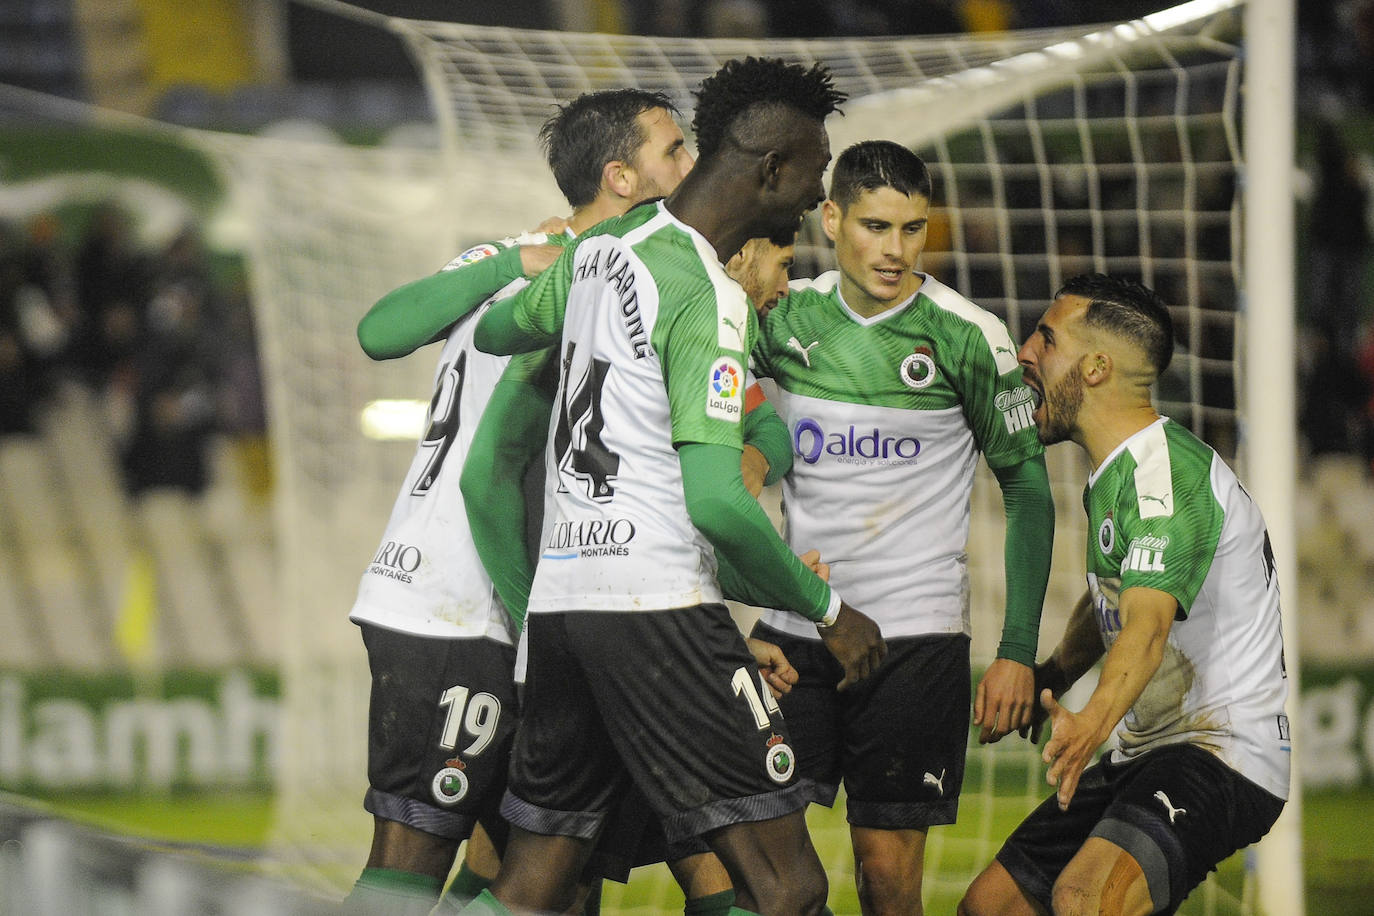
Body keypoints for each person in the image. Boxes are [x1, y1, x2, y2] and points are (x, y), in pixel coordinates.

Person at [464, 57, 886, 916]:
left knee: (533, 883)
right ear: (771, 169)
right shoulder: (708, 290)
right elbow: (717, 503)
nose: (816, 197)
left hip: (564, 607)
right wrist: (831, 615)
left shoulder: (606, 247)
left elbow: (503, 326)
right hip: (655, 607)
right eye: (813, 171)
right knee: (790, 887)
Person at [343, 88, 697, 915]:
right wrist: (514, 263)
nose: (691, 166)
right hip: (456, 603)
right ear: (620, 177)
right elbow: (378, 332)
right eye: (674, 151)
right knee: (412, 858)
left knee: (548, 870)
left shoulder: (633, 274)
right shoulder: (521, 261)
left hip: (532, 603)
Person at [745, 139, 1054, 915]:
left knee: (886, 875)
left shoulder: (966, 335)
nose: (895, 250)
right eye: (876, 227)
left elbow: (1028, 491)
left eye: (912, 230)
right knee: (748, 860)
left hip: (914, 637)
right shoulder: (782, 317)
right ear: (830, 218)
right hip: (795, 628)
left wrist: (1017, 650)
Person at [958, 274, 1290, 916]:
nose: (1025, 352)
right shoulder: (1118, 472)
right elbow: (1111, 599)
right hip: (1147, 747)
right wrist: (1055, 670)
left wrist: (1091, 723)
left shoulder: (1163, 484)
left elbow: (1145, 628)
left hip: (1221, 755)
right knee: (992, 906)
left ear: (1096, 367)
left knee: (1084, 899)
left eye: (1046, 340)